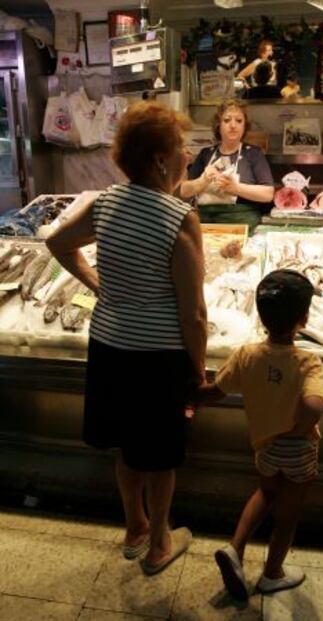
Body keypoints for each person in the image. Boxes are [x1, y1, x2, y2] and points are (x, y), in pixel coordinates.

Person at [46, 101, 207, 576]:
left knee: (126, 445)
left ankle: (134, 525)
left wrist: (100, 286)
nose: (188, 158)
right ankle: (159, 543)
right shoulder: (179, 218)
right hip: (158, 360)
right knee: (158, 457)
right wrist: (196, 369)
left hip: (110, 348)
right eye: (182, 149)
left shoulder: (106, 202)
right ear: (160, 159)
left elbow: (57, 244)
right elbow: (194, 313)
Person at [196, 269, 323, 599]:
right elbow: (314, 406)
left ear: (261, 315)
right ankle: (272, 573)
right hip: (298, 449)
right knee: (287, 515)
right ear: (304, 317)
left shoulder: (246, 355)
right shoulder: (307, 361)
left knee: (266, 492)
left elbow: (215, 392)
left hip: (265, 446)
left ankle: (235, 548)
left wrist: (191, 393)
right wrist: (301, 427)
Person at [180, 100, 274, 233]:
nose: (233, 125)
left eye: (239, 121)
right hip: (205, 228)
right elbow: (184, 191)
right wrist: (203, 181)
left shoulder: (254, 153)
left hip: (242, 227)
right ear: (218, 125)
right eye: (227, 120)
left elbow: (268, 194)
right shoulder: (206, 154)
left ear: (244, 126)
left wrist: (236, 188)